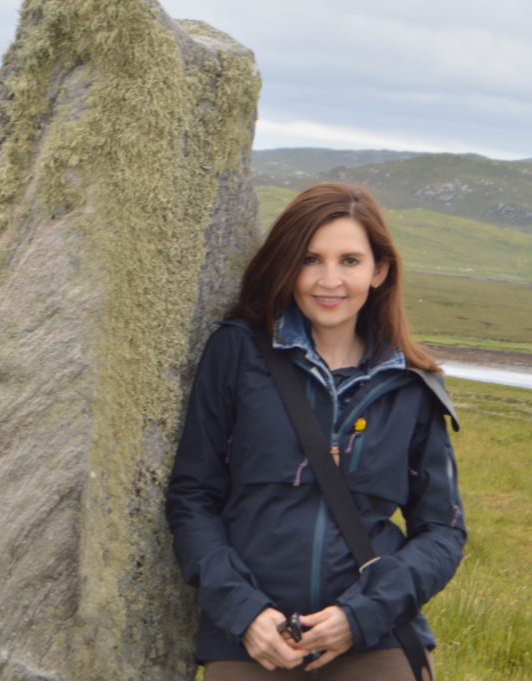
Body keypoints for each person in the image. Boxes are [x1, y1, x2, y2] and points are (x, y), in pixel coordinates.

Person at [165, 182, 467, 680]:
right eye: (311, 259)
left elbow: (442, 530)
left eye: (350, 260)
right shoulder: (237, 353)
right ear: (288, 266)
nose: (330, 280)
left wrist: (361, 616)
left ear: (379, 271)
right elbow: (192, 496)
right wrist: (244, 613)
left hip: (374, 640)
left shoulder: (411, 386)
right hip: (253, 642)